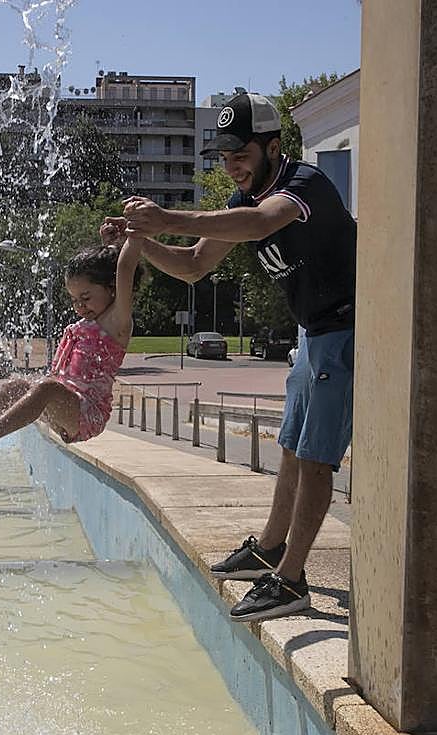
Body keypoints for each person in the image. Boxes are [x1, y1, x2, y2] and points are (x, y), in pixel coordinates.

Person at [106, 92, 356, 621]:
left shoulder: (302, 187)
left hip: (347, 329)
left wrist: (165, 214)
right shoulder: (243, 203)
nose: (231, 165)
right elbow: (194, 265)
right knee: (290, 446)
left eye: (240, 152)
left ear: (273, 146)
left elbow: (261, 225)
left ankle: (291, 582)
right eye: (222, 156)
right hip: (314, 334)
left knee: (315, 458)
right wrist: (141, 236)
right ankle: (269, 548)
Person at [0, 239, 141, 457]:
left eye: (86, 297)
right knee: (16, 386)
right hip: (66, 406)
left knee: (47, 387)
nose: (80, 306)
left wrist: (134, 234)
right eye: (74, 300)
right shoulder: (92, 321)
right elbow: (114, 267)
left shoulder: (117, 323)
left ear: (113, 289)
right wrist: (112, 243)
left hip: (87, 414)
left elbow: (125, 268)